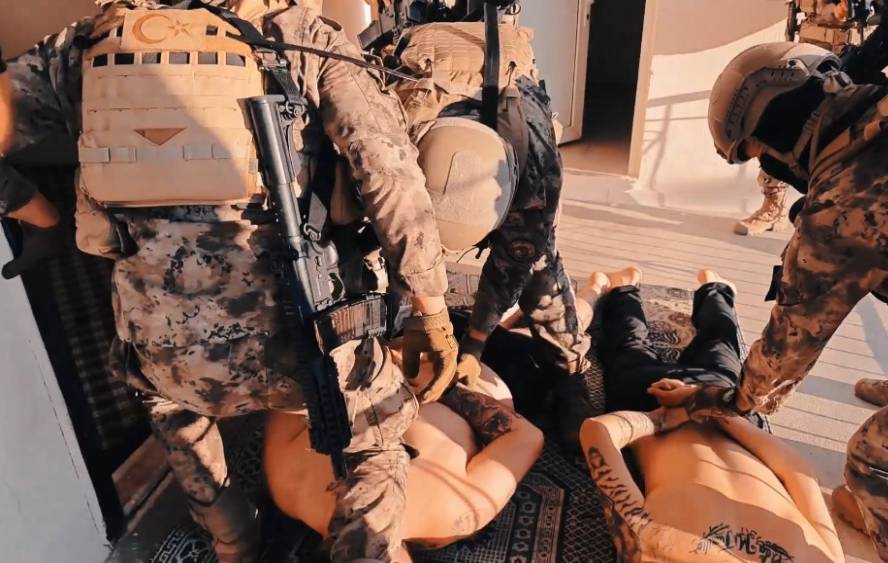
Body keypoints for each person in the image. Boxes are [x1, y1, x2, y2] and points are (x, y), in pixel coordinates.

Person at [0, 1, 461, 561]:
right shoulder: (302, 37)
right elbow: (390, 175)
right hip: (311, 341)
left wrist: (41, 217)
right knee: (376, 438)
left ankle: (233, 540)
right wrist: (432, 311)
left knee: (167, 407)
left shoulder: (87, 47)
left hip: (172, 359)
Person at [696, 38, 888, 562]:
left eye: (762, 152)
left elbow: (792, 341)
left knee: (883, 468)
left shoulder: (846, 199)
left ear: (778, 137)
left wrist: (736, 402)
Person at [372, 3, 596, 447]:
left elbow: (517, 260)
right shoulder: (387, 149)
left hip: (505, 86)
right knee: (388, 257)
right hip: (425, 84)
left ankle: (570, 372)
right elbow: (391, 234)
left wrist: (474, 344)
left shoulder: (534, 168)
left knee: (540, 269)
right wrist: (419, 314)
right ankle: (386, 339)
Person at [578, 267, 844, 563]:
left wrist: (678, 412)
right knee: (700, 346)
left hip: (664, 408)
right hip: (708, 410)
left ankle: (703, 288)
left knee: (680, 346)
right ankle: (638, 289)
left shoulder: (656, 551)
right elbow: (798, 470)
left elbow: (596, 431)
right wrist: (697, 404)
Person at [264, 349, 544, 562]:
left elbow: (298, 383)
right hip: (457, 367)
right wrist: (436, 384)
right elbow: (525, 437)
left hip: (385, 348)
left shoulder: (451, 516)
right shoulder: (287, 488)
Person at [734, 0, 863, 237]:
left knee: (841, 142)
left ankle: (833, 214)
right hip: (809, 49)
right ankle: (773, 207)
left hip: (850, 55)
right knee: (776, 126)